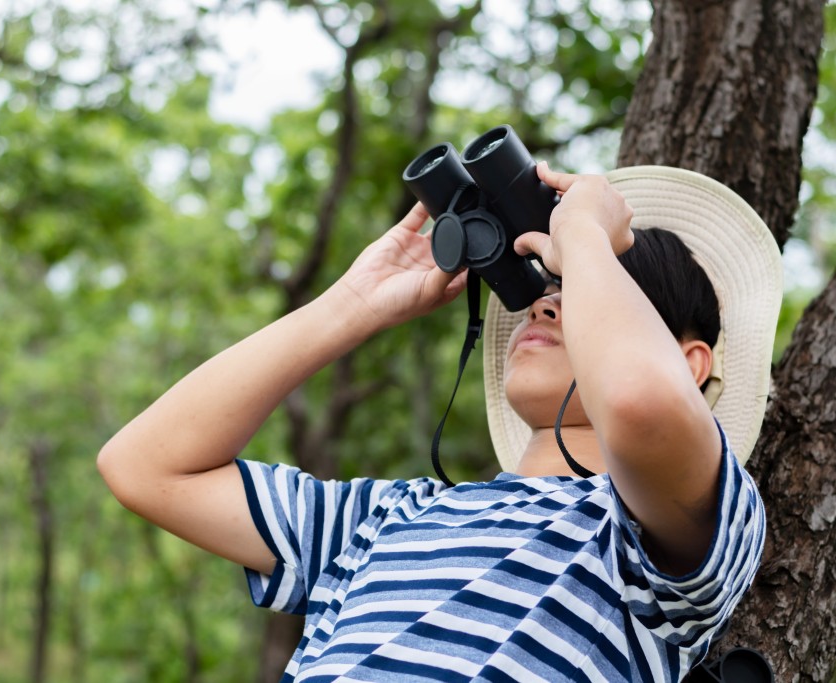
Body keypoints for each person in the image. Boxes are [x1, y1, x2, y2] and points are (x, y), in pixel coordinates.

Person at [98, 161, 782, 682]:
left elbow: (640, 405)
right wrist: (355, 303)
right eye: (544, 290)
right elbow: (145, 466)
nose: (545, 306)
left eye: (584, 289)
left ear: (691, 364)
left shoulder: (666, 533)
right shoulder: (388, 516)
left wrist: (581, 233)